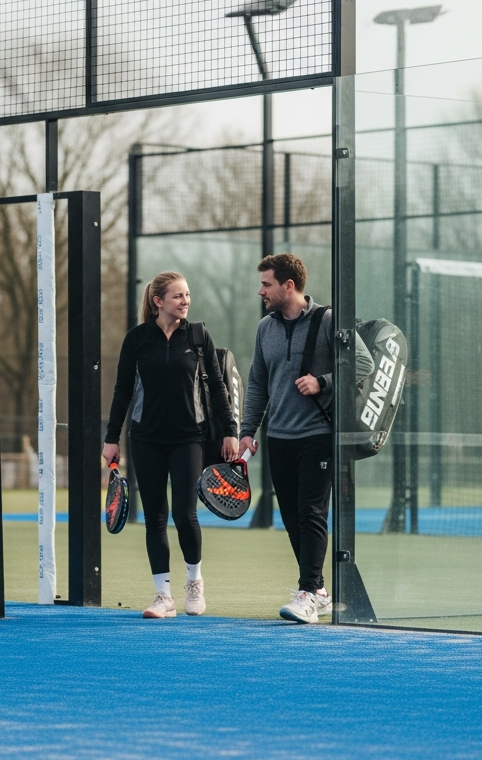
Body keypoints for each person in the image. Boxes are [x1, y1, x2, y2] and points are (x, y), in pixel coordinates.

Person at [239, 254, 372, 624]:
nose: (260, 291)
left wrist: (323, 382)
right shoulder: (265, 328)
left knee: (312, 512)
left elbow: (363, 363)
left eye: (266, 284)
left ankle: (308, 592)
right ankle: (320, 590)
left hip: (317, 434)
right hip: (278, 437)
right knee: (292, 517)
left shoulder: (328, 320)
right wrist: (247, 431)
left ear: (288, 286)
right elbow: (256, 383)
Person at [103, 271, 238, 619]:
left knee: (184, 513)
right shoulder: (136, 339)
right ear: (157, 301)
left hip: (189, 438)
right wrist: (111, 438)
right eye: (178, 296)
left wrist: (230, 431)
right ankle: (163, 596)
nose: (185, 301)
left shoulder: (198, 336)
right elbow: (122, 391)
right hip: (144, 438)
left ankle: (194, 582)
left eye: (188, 295)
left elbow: (219, 387)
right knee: (155, 518)